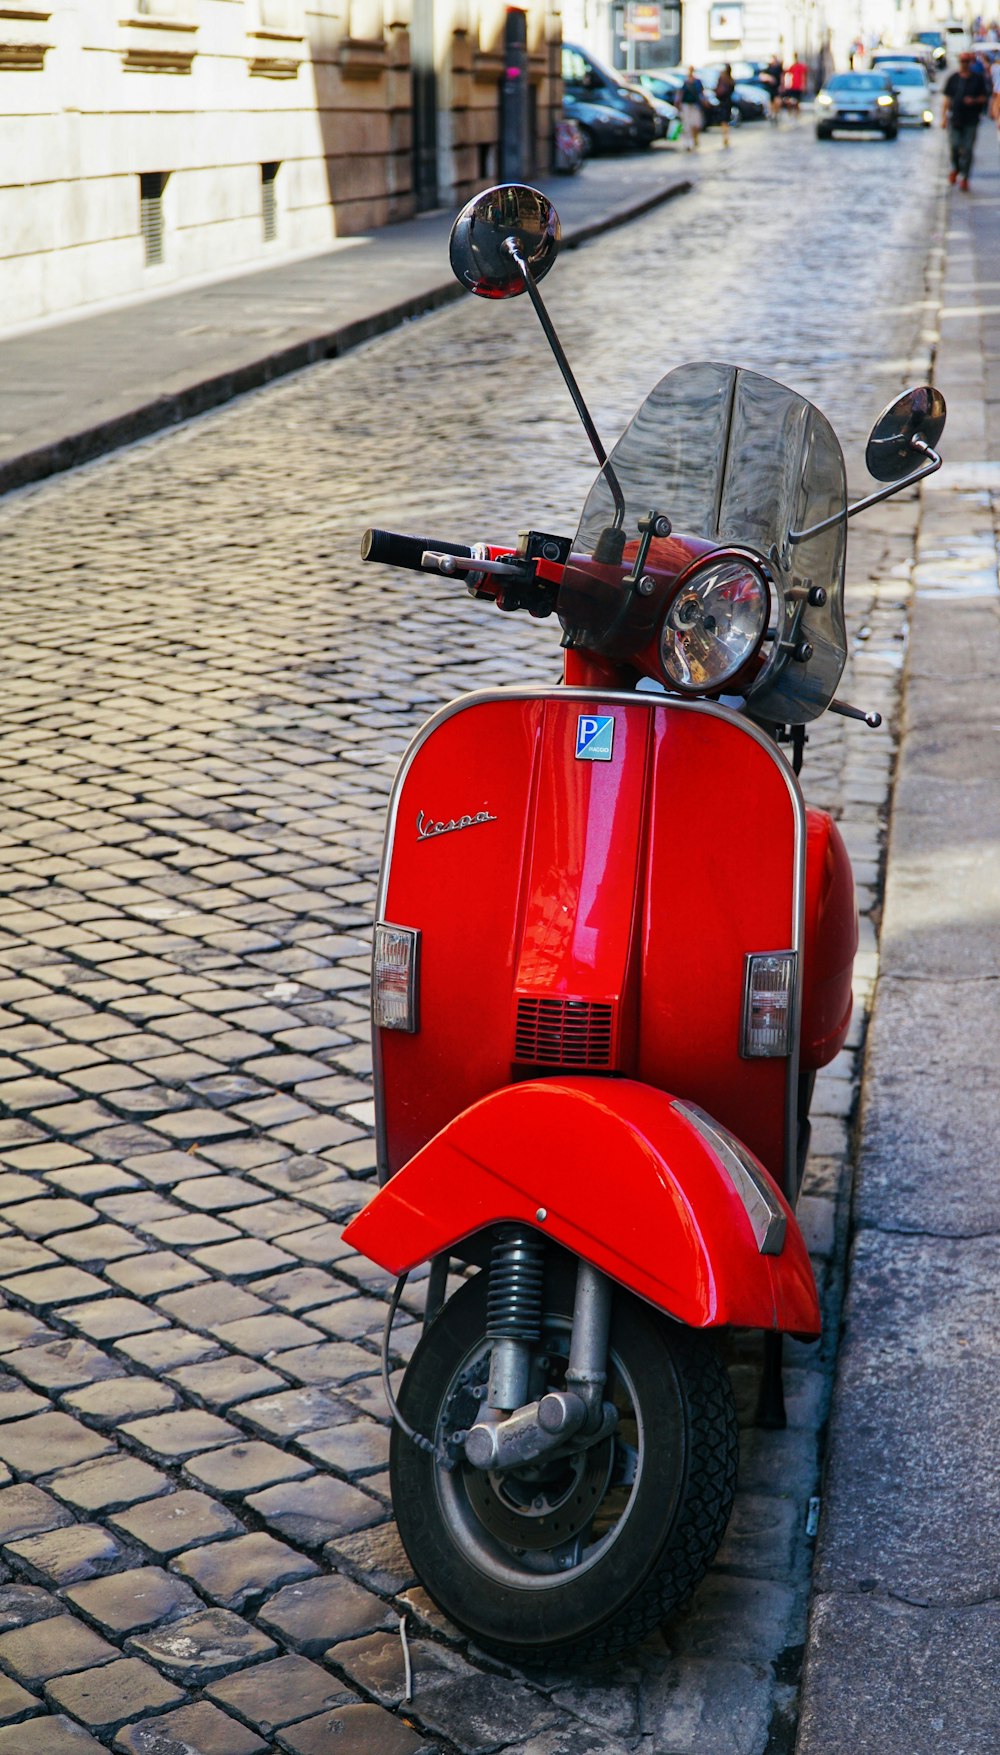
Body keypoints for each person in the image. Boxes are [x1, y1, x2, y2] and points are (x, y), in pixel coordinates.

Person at [942, 49, 990, 189]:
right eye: (962, 61)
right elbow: (947, 99)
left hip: (971, 120)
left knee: (968, 149)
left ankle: (965, 176)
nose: (964, 64)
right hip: (955, 118)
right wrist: (944, 117)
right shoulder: (953, 78)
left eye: (966, 61)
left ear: (970, 63)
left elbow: (984, 97)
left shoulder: (977, 78)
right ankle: (956, 168)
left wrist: (974, 100)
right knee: (955, 146)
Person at [679, 66, 705, 151]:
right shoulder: (685, 82)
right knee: (687, 124)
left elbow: (701, 93)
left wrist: (704, 101)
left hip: (695, 105)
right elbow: (681, 93)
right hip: (686, 105)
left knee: (696, 124)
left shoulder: (697, 82)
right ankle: (688, 142)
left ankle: (695, 138)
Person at [715, 62, 735, 147]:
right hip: (728, 101)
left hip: (723, 101)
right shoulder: (731, 80)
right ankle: (726, 136)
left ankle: (725, 136)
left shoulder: (722, 78)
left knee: (723, 120)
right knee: (726, 119)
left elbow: (717, 90)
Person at [763, 53, 784, 120]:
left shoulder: (778, 68)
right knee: (771, 101)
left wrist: (782, 85)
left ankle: (776, 112)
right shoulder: (768, 68)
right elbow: (762, 75)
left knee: (777, 100)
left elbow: (781, 77)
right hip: (770, 87)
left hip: (776, 86)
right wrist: (769, 78)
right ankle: (772, 113)